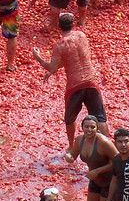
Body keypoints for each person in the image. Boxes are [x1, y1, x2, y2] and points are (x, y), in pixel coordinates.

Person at [33, 12, 108, 142]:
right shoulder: (82, 36)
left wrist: (38, 57)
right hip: (91, 80)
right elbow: (73, 58)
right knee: (99, 116)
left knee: (70, 118)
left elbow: (52, 66)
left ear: (59, 25)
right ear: (73, 24)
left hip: (75, 84)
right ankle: (108, 146)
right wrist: (53, 70)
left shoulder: (59, 45)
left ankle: (72, 146)